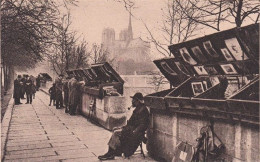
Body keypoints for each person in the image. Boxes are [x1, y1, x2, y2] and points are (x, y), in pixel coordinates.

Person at [98, 92, 150, 160]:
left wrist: (133, 131)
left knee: (116, 133)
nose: (132, 101)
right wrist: (122, 128)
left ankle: (110, 154)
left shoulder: (143, 110)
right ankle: (114, 151)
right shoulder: (138, 109)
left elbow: (143, 125)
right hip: (131, 130)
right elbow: (130, 123)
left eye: (133, 100)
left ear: (137, 101)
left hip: (135, 133)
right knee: (115, 129)